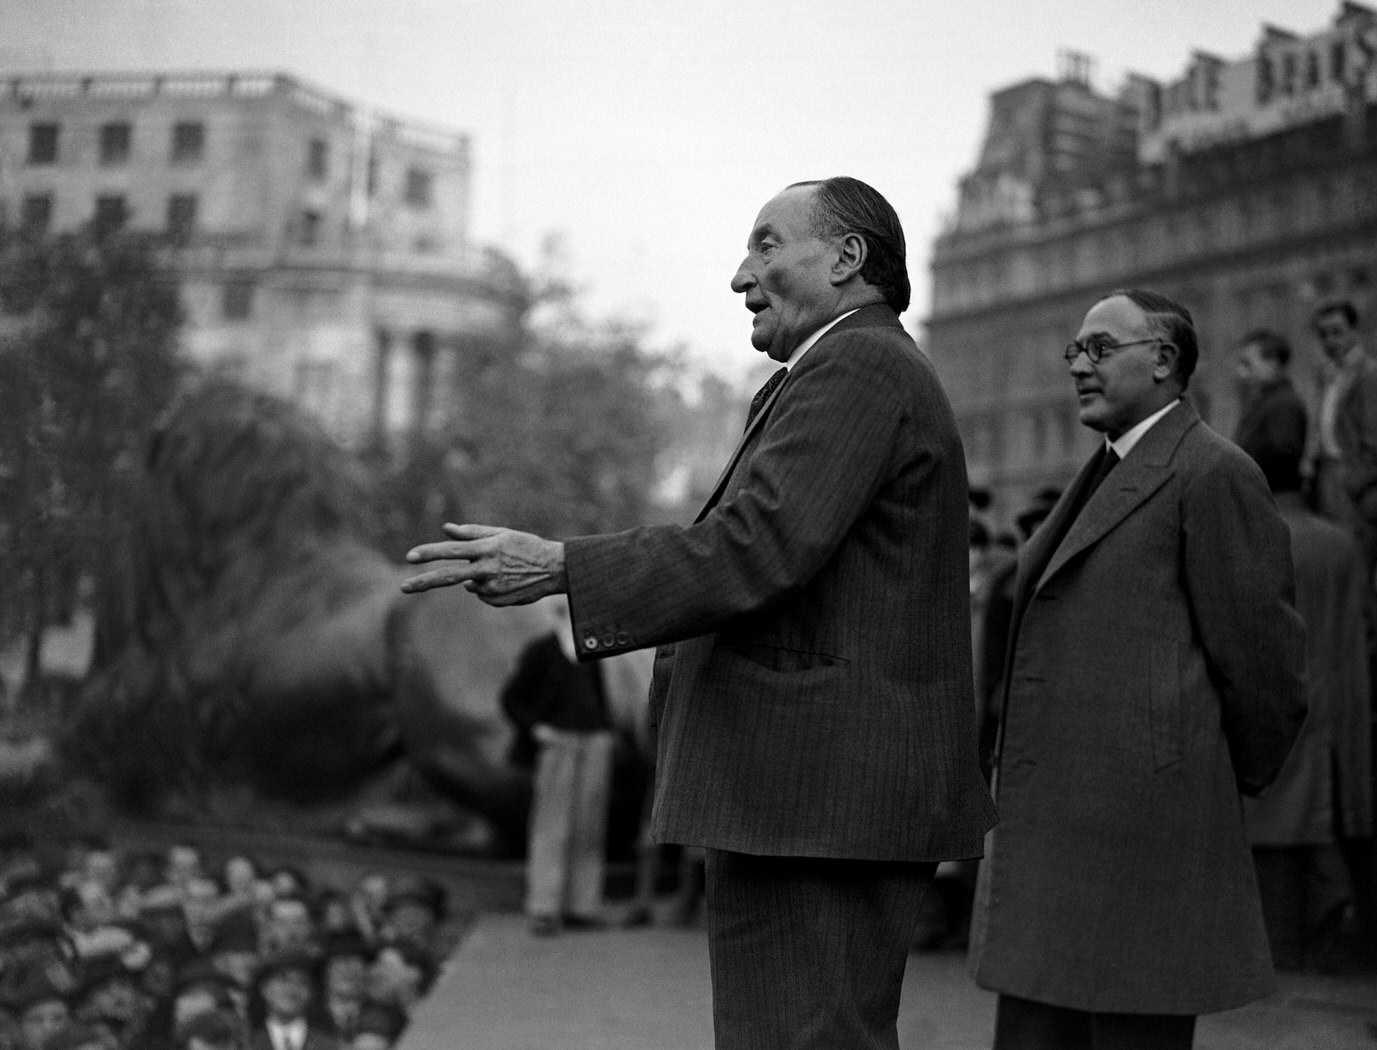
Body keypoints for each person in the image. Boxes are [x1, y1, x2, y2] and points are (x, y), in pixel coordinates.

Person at [403, 175, 997, 1050]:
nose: (738, 276)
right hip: (810, 799)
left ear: (845, 259)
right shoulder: (841, 369)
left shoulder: (858, 364)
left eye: (765, 245)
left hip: (821, 800)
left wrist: (562, 564)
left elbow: (758, 545)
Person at [969, 289, 1307, 1049]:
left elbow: (1263, 666)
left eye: (1099, 349)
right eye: (1074, 352)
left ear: (1163, 360)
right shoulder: (1106, 467)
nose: (1078, 368)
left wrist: (1194, 779)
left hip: (1142, 836)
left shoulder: (1214, 472)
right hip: (1060, 835)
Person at [1231, 353, 1372, 972]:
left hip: (1272, 724)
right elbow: (1365, 626)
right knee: (1320, 842)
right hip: (1336, 717)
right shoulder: (1340, 544)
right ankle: (1330, 932)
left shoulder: (1254, 539)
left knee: (1273, 861)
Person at [499, 597, 616, 936]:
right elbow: (512, 697)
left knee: (588, 826)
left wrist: (606, 732)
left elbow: (599, 695)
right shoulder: (542, 650)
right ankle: (544, 907)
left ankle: (582, 906)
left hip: (594, 742)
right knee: (552, 823)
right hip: (560, 744)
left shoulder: (589, 650)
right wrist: (536, 728)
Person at [1310, 298, 1377, 599]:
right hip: (1332, 481)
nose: (1330, 341)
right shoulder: (1330, 376)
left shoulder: (1371, 375)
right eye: (1323, 334)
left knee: (1360, 586)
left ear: (1354, 331)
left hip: (1357, 492)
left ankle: (1369, 645)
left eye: (1337, 332)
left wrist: (1351, 484)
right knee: (1340, 580)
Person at [1233, 327, 1308, 496]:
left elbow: (1282, 458)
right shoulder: (1265, 401)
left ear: (1273, 362)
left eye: (1248, 364)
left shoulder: (1283, 404)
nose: (1241, 373)